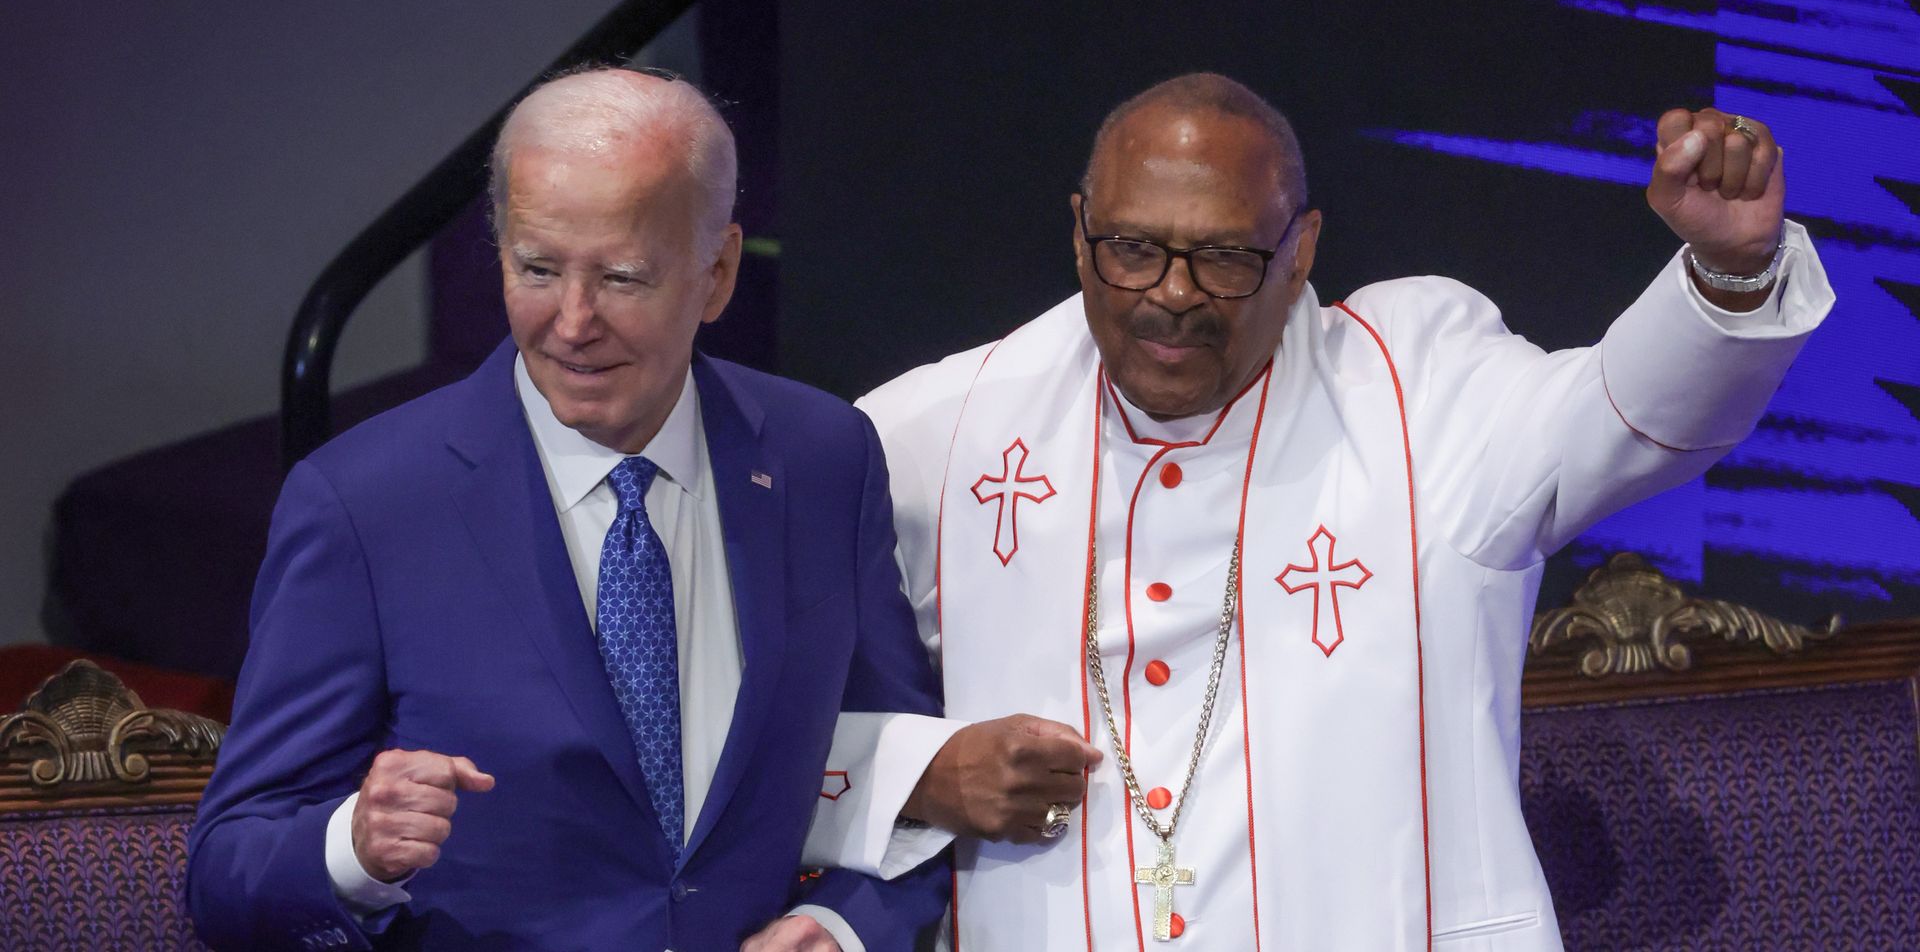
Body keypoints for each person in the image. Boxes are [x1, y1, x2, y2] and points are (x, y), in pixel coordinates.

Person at [827, 73, 1832, 949]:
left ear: (1301, 248)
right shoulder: (939, 433)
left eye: (1225, 259)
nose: (1171, 296)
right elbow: (720, 731)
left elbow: (1626, 414)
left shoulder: (1418, 386)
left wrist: (1730, 272)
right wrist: (918, 774)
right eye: (1133, 248)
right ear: (1080, 227)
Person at [186, 67, 954, 951]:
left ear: (719, 272)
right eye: (537, 268)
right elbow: (225, 870)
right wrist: (352, 850)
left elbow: (910, 775)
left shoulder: (822, 456)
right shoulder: (366, 503)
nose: (573, 321)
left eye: (623, 277)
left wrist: (842, 927)